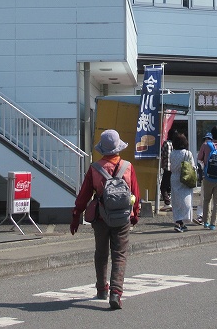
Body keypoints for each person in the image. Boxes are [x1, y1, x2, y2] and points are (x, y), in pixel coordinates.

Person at [70, 129, 140, 310]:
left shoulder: (95, 169)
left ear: (102, 148)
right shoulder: (128, 167)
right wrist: (135, 214)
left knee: (101, 253)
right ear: (118, 147)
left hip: (101, 217)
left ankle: (102, 288)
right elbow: (135, 194)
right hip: (122, 217)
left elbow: (84, 195)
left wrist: (76, 215)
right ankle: (116, 292)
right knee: (120, 254)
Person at [169, 133, 195, 232]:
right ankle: (181, 222)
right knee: (186, 201)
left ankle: (179, 222)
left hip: (174, 177)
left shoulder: (172, 153)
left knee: (176, 201)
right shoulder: (188, 153)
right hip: (185, 178)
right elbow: (192, 166)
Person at [159, 129, 175, 207]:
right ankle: (170, 201)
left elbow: (162, 154)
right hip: (174, 168)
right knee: (170, 185)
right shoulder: (175, 144)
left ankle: (167, 202)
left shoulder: (166, 143)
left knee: (163, 186)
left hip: (167, 167)